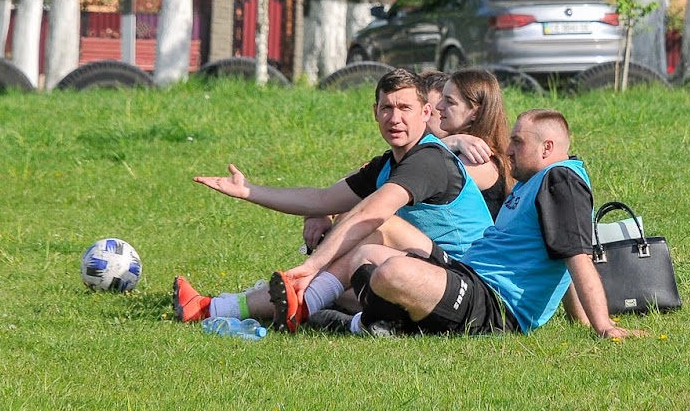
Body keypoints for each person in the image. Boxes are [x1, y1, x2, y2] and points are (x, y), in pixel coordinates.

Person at [174, 68, 493, 330]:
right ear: (375, 112)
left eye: (405, 108)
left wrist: (312, 264)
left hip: (464, 284)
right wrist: (249, 191)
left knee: (374, 225)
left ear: (426, 113)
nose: (395, 118)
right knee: (337, 276)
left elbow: (374, 211)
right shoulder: (387, 163)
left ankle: (309, 308)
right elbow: (323, 199)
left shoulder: (429, 159)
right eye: (387, 108)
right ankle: (210, 307)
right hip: (420, 274)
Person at [291, 108, 645, 340]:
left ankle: (355, 320)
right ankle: (316, 305)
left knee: (392, 273)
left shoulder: (561, 181)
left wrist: (603, 326)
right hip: (469, 277)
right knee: (367, 250)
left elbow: (576, 256)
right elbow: (560, 255)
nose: (507, 150)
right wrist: (580, 320)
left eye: (517, 143)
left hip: (495, 305)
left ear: (547, 147)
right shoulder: (535, 182)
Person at [433, 69, 512, 219]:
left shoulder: (476, 159)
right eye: (442, 98)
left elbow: (414, 175)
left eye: (449, 101)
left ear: (476, 112)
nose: (439, 106)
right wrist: (450, 142)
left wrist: (449, 143)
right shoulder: (458, 146)